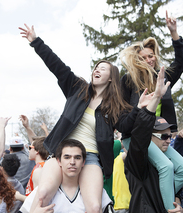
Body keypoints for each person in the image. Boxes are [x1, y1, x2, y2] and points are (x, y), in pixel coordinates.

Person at [18, 24, 132, 213]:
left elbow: (129, 125)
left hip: (91, 157)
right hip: (62, 153)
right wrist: (36, 42)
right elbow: (57, 66)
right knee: (43, 193)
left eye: (103, 68)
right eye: (96, 67)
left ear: (111, 77)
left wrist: (146, 108)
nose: (97, 69)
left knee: (94, 207)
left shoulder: (114, 108)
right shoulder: (77, 88)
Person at [118, 11, 183, 211]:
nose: (149, 60)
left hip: (159, 136)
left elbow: (181, 62)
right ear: (137, 60)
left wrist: (174, 33)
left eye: (151, 56)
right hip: (137, 137)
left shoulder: (162, 77)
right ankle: (168, 208)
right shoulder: (128, 81)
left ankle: (158, 196)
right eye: (144, 57)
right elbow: (122, 116)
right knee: (166, 167)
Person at [124, 67, 183, 212]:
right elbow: (139, 136)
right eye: (163, 136)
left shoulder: (167, 160)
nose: (169, 140)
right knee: (167, 166)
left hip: (161, 206)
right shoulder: (138, 160)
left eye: (170, 136)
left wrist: (176, 205)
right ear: (149, 136)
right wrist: (155, 98)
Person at [19, 139, 113, 213]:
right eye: (67, 157)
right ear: (59, 161)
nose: (72, 162)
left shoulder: (94, 192)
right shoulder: (43, 192)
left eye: (77, 158)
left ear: (83, 162)